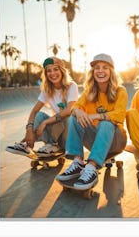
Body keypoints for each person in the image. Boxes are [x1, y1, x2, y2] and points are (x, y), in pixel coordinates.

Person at [56, 53, 128, 190]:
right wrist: (77, 111)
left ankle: (92, 167)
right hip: (96, 141)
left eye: (105, 68)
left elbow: (119, 115)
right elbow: (76, 106)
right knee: (74, 118)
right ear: (93, 72)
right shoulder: (89, 92)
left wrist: (95, 116)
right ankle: (77, 163)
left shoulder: (120, 91)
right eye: (97, 68)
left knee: (106, 123)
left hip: (116, 140)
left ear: (111, 71)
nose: (100, 71)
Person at [6, 56, 79, 157]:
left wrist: (45, 122)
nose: (52, 73)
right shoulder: (47, 90)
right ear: (45, 74)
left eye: (56, 69)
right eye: (49, 71)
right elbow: (34, 111)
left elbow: (67, 111)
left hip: (69, 137)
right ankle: (26, 144)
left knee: (66, 117)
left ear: (62, 71)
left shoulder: (72, 86)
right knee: (39, 115)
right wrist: (29, 130)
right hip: (55, 133)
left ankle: (53, 144)